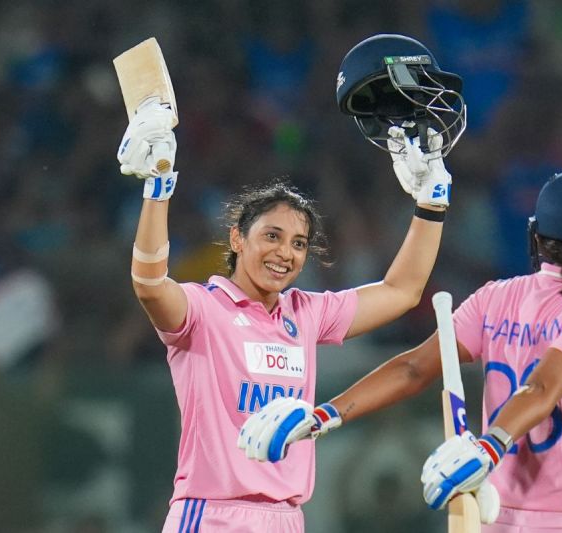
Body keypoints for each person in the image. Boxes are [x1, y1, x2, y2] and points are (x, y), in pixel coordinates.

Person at [117, 33, 463, 533]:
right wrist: (159, 187)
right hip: (212, 515)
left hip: (286, 518)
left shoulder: (306, 312)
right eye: (272, 237)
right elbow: (150, 284)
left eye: (299, 243)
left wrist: (431, 204)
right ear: (237, 238)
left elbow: (400, 291)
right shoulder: (204, 309)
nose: (285, 253)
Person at [242, 169, 562, 532]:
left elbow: (414, 368)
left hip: (499, 519)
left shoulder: (495, 298)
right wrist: (488, 447)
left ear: (537, 238)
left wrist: (325, 415)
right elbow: (542, 389)